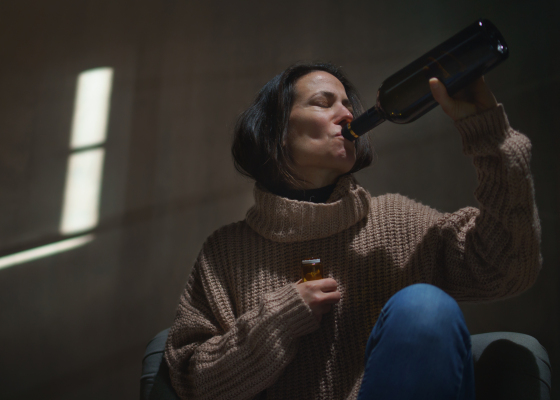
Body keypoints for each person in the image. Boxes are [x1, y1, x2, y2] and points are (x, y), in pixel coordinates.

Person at [164, 62, 541, 399]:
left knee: (425, 307)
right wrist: (278, 320)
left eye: (347, 105)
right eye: (323, 102)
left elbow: (507, 268)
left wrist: (490, 135)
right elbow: (194, 384)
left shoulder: (398, 220)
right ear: (275, 131)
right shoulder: (227, 251)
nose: (346, 115)